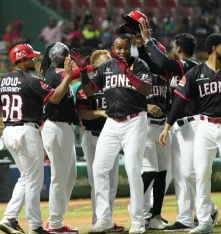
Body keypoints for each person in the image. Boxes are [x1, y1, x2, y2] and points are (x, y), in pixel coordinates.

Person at [138, 20, 219, 231]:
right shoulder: (177, 69)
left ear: (179, 49)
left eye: (175, 47)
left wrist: (148, 40)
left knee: (192, 172)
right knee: (181, 173)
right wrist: (140, 45)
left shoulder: (192, 66)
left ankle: (208, 209)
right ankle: (184, 217)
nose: (173, 50)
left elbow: (163, 64)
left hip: (194, 125)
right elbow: (155, 65)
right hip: (177, 127)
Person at [159, 33, 221, 234]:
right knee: (201, 173)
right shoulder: (195, 73)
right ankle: (205, 221)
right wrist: (167, 126)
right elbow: (179, 101)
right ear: (214, 48)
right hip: (204, 127)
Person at [0, 43, 74, 234]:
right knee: (34, 182)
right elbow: (54, 98)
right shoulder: (31, 80)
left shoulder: (4, 80)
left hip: (8, 131)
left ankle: (9, 217)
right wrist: (68, 77)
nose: (34, 59)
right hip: (26, 130)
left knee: (26, 178)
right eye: (30, 57)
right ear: (21, 60)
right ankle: (35, 225)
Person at [77, 34, 152, 233]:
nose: (121, 52)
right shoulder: (106, 67)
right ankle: (104, 218)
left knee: (133, 169)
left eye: (125, 48)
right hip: (111, 121)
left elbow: (146, 90)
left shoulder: (140, 65)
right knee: (99, 168)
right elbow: (91, 91)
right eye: (118, 48)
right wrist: (83, 71)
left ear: (130, 49)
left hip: (135, 120)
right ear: (112, 48)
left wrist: (128, 73)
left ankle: (138, 220)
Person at [73, 49, 124, 233]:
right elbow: (81, 112)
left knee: (112, 183)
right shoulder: (85, 86)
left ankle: (106, 220)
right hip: (93, 136)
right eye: (105, 63)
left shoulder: (114, 83)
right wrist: (99, 113)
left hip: (112, 137)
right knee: (98, 181)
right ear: (94, 67)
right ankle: (99, 220)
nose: (109, 65)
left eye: (110, 62)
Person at [39, 42, 79, 234]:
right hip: (55, 125)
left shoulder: (62, 75)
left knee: (70, 175)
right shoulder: (54, 72)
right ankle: (55, 223)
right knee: (59, 176)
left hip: (65, 127)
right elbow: (74, 74)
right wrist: (94, 67)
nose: (68, 57)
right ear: (57, 57)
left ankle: (57, 220)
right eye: (65, 55)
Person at [135, 37, 170, 230]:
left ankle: (155, 215)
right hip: (145, 124)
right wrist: (145, 105)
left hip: (163, 125)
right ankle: (137, 210)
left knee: (162, 172)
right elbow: (127, 97)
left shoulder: (166, 76)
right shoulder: (139, 73)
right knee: (150, 171)